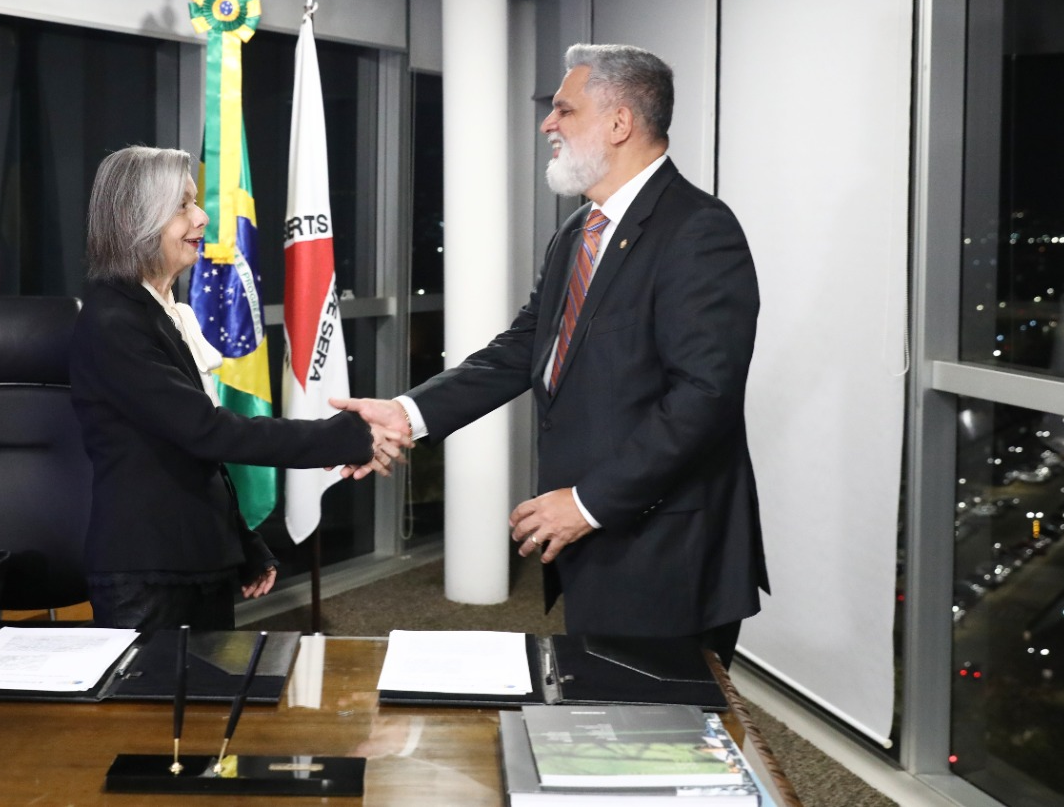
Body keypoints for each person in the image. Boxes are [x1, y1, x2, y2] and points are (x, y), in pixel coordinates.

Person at [336, 44, 767, 665]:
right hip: (597, 536)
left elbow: (703, 398)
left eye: (563, 109)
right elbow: (523, 349)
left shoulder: (699, 229)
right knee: (605, 726)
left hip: (666, 548)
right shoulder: (578, 231)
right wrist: (411, 413)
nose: (548, 124)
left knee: (659, 742)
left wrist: (588, 502)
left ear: (619, 123)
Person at [70, 145, 407, 631]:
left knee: (210, 701)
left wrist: (242, 542)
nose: (202, 218)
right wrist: (348, 436)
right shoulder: (113, 321)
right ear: (135, 219)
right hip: (148, 571)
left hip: (189, 556)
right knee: (158, 706)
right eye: (182, 206)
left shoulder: (160, 310)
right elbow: (207, 431)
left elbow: (189, 455)